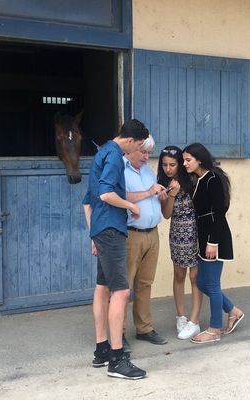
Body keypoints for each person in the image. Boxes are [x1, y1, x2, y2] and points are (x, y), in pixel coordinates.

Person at [82, 119, 148, 380]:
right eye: (140, 146)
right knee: (121, 292)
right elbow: (106, 195)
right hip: (111, 230)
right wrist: (130, 207)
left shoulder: (100, 153)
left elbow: (87, 202)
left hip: (101, 230)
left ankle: (102, 350)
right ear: (130, 140)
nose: (139, 151)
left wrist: (92, 235)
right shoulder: (113, 155)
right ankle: (117, 360)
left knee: (102, 288)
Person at [182, 143, 245, 344]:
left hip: (214, 238)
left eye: (188, 160)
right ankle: (233, 311)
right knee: (201, 283)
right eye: (184, 160)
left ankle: (214, 329)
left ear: (199, 159)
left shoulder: (212, 178)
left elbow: (219, 211)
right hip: (204, 237)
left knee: (211, 284)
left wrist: (213, 242)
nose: (185, 164)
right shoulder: (198, 179)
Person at [123, 135, 169, 346]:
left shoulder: (148, 171)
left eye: (149, 152)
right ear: (130, 149)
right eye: (143, 152)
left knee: (145, 283)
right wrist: (150, 191)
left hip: (152, 233)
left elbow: (150, 196)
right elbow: (120, 196)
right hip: (131, 234)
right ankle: (118, 332)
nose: (146, 156)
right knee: (124, 285)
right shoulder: (120, 169)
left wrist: (160, 197)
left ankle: (144, 328)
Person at [157, 146, 203, 340]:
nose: (168, 169)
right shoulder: (163, 184)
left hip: (196, 230)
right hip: (177, 231)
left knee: (195, 276)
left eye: (173, 165)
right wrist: (171, 195)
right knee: (178, 274)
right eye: (165, 165)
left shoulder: (192, 179)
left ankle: (195, 320)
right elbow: (167, 215)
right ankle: (181, 317)